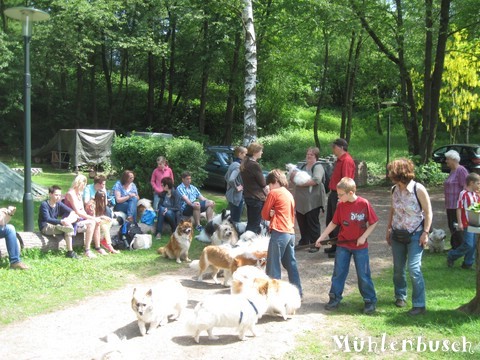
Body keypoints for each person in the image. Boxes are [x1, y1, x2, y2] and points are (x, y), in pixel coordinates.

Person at [315, 177, 378, 314]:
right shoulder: (341, 206)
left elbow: (373, 222)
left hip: (360, 248)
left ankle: (369, 300)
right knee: (339, 272)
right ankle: (334, 298)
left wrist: (363, 237)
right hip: (343, 246)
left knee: (363, 274)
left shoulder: (364, 203)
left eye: (340, 194)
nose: (338, 197)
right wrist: (321, 237)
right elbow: (333, 223)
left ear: (350, 193)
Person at [386, 158, 432, 316]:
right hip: (397, 234)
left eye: (392, 172)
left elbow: (428, 212)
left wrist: (425, 233)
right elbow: (393, 210)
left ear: (400, 173)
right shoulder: (394, 189)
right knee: (398, 269)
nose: (389, 175)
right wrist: (388, 228)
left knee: (414, 269)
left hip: (415, 235)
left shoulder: (418, 189)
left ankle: (419, 304)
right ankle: (400, 296)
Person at [261, 169, 302, 297]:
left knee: (273, 267)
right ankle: (298, 293)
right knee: (291, 264)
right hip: (290, 233)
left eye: (270, 184)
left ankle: (273, 297)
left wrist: (271, 213)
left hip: (279, 232)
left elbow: (264, 214)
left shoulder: (274, 193)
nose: (269, 187)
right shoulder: (288, 193)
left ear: (275, 182)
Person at [324, 138, 356, 257]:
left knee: (338, 222)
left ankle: (339, 248)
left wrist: (340, 198)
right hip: (334, 193)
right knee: (331, 220)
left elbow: (346, 181)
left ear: (341, 147)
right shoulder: (339, 160)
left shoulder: (346, 160)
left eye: (334, 147)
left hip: (339, 195)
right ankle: (334, 245)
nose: (333, 149)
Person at [293, 147, 326, 253]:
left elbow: (316, 180)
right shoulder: (302, 166)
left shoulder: (318, 166)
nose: (308, 156)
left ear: (316, 156)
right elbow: (294, 178)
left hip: (312, 201)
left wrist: (302, 184)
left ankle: (315, 243)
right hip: (301, 201)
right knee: (302, 222)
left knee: (313, 222)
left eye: (311, 155)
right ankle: (304, 242)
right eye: (307, 154)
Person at [65, 174, 106, 258]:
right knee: (91, 222)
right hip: (72, 220)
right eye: (84, 184)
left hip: (80, 218)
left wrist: (93, 218)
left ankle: (97, 247)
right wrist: (92, 218)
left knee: (96, 222)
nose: (84, 187)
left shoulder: (79, 194)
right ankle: (87, 250)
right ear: (79, 183)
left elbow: (82, 211)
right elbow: (78, 212)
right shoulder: (71, 194)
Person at [447, 172, 480, 269]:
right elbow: (459, 208)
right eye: (478, 183)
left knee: (473, 244)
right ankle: (452, 255)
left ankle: (468, 263)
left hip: (474, 222)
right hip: (466, 223)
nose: (479, 185)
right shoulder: (463, 194)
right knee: (468, 244)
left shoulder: (475, 195)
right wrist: (460, 222)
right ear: (471, 183)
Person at [38, 185, 80, 259]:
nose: (58, 197)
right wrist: (61, 221)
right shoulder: (44, 205)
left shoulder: (59, 203)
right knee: (68, 228)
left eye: (60, 195)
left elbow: (72, 211)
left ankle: (70, 251)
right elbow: (47, 219)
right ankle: (70, 252)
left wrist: (67, 220)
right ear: (50, 194)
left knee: (72, 219)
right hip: (45, 226)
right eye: (56, 195)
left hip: (57, 225)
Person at [241, 142, 269, 234]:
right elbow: (263, 183)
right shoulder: (254, 165)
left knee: (251, 223)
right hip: (256, 198)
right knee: (255, 225)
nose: (262, 153)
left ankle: (245, 242)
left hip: (249, 196)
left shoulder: (246, 163)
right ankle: (249, 244)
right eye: (261, 151)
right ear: (255, 152)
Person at [443, 150, 468, 239]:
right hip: (450, 205)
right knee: (452, 225)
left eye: (447, 159)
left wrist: (463, 204)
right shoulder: (452, 171)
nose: (446, 161)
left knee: (457, 226)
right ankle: (454, 246)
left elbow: (466, 188)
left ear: (453, 159)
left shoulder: (461, 170)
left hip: (457, 205)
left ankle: (459, 247)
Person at [225, 146, 247, 223]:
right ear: (240, 154)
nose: (246, 156)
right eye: (245, 154)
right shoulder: (238, 165)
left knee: (232, 218)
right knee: (236, 220)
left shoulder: (232, 164)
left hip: (231, 194)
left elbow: (226, 177)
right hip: (236, 196)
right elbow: (231, 179)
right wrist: (237, 187)